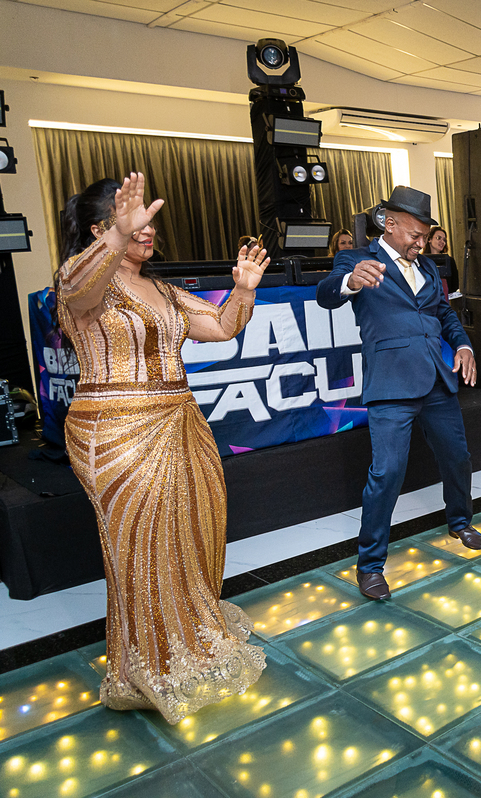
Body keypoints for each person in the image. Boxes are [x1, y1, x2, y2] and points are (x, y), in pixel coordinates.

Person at [55, 174, 268, 724]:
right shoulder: (81, 281)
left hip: (182, 423)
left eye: (150, 223)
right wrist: (116, 237)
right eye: (134, 223)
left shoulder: (165, 290)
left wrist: (243, 289)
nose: (148, 231)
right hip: (115, 433)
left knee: (193, 534)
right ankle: (147, 665)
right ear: (100, 230)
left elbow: (221, 328)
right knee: (141, 549)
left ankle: (188, 641)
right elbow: (78, 290)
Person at [317, 186, 481, 601]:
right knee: (387, 472)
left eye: (425, 236)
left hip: (436, 380)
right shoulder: (358, 261)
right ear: (389, 224)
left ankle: (460, 521)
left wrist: (463, 345)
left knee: (457, 456)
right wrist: (350, 282)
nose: (421, 243)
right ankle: (370, 565)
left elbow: (443, 313)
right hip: (391, 383)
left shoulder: (427, 267)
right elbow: (326, 294)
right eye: (415, 235)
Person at [422, 225, 458, 298]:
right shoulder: (421, 260)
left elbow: (454, 286)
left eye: (444, 240)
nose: (442, 242)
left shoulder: (450, 261)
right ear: (429, 239)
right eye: (438, 238)